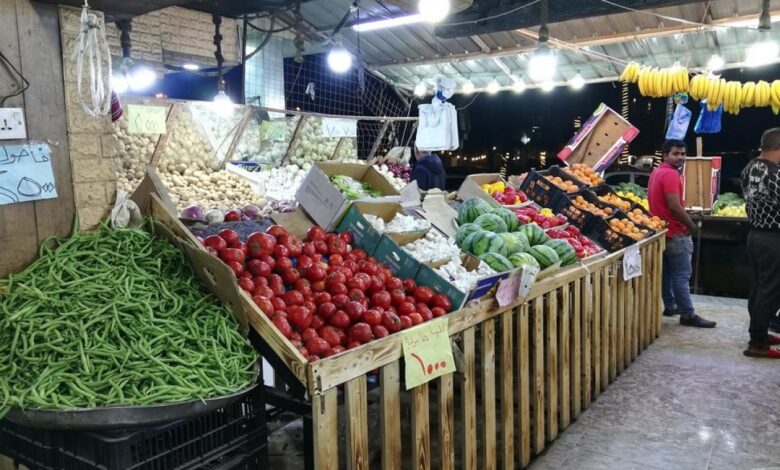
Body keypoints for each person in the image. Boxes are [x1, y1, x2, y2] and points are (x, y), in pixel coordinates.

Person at [648, 139, 716, 328]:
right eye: (676, 154)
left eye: (683, 154)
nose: (680, 157)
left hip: (662, 232)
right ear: (665, 155)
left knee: (667, 274)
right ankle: (687, 314)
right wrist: (691, 226)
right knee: (681, 275)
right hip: (676, 233)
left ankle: (671, 306)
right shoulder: (670, 174)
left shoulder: (657, 172)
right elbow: (674, 206)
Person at [741, 128, 780, 358]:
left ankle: (760, 333)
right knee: (771, 290)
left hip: (755, 235)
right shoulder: (775, 173)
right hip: (773, 238)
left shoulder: (749, 167)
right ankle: (757, 343)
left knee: (759, 286)